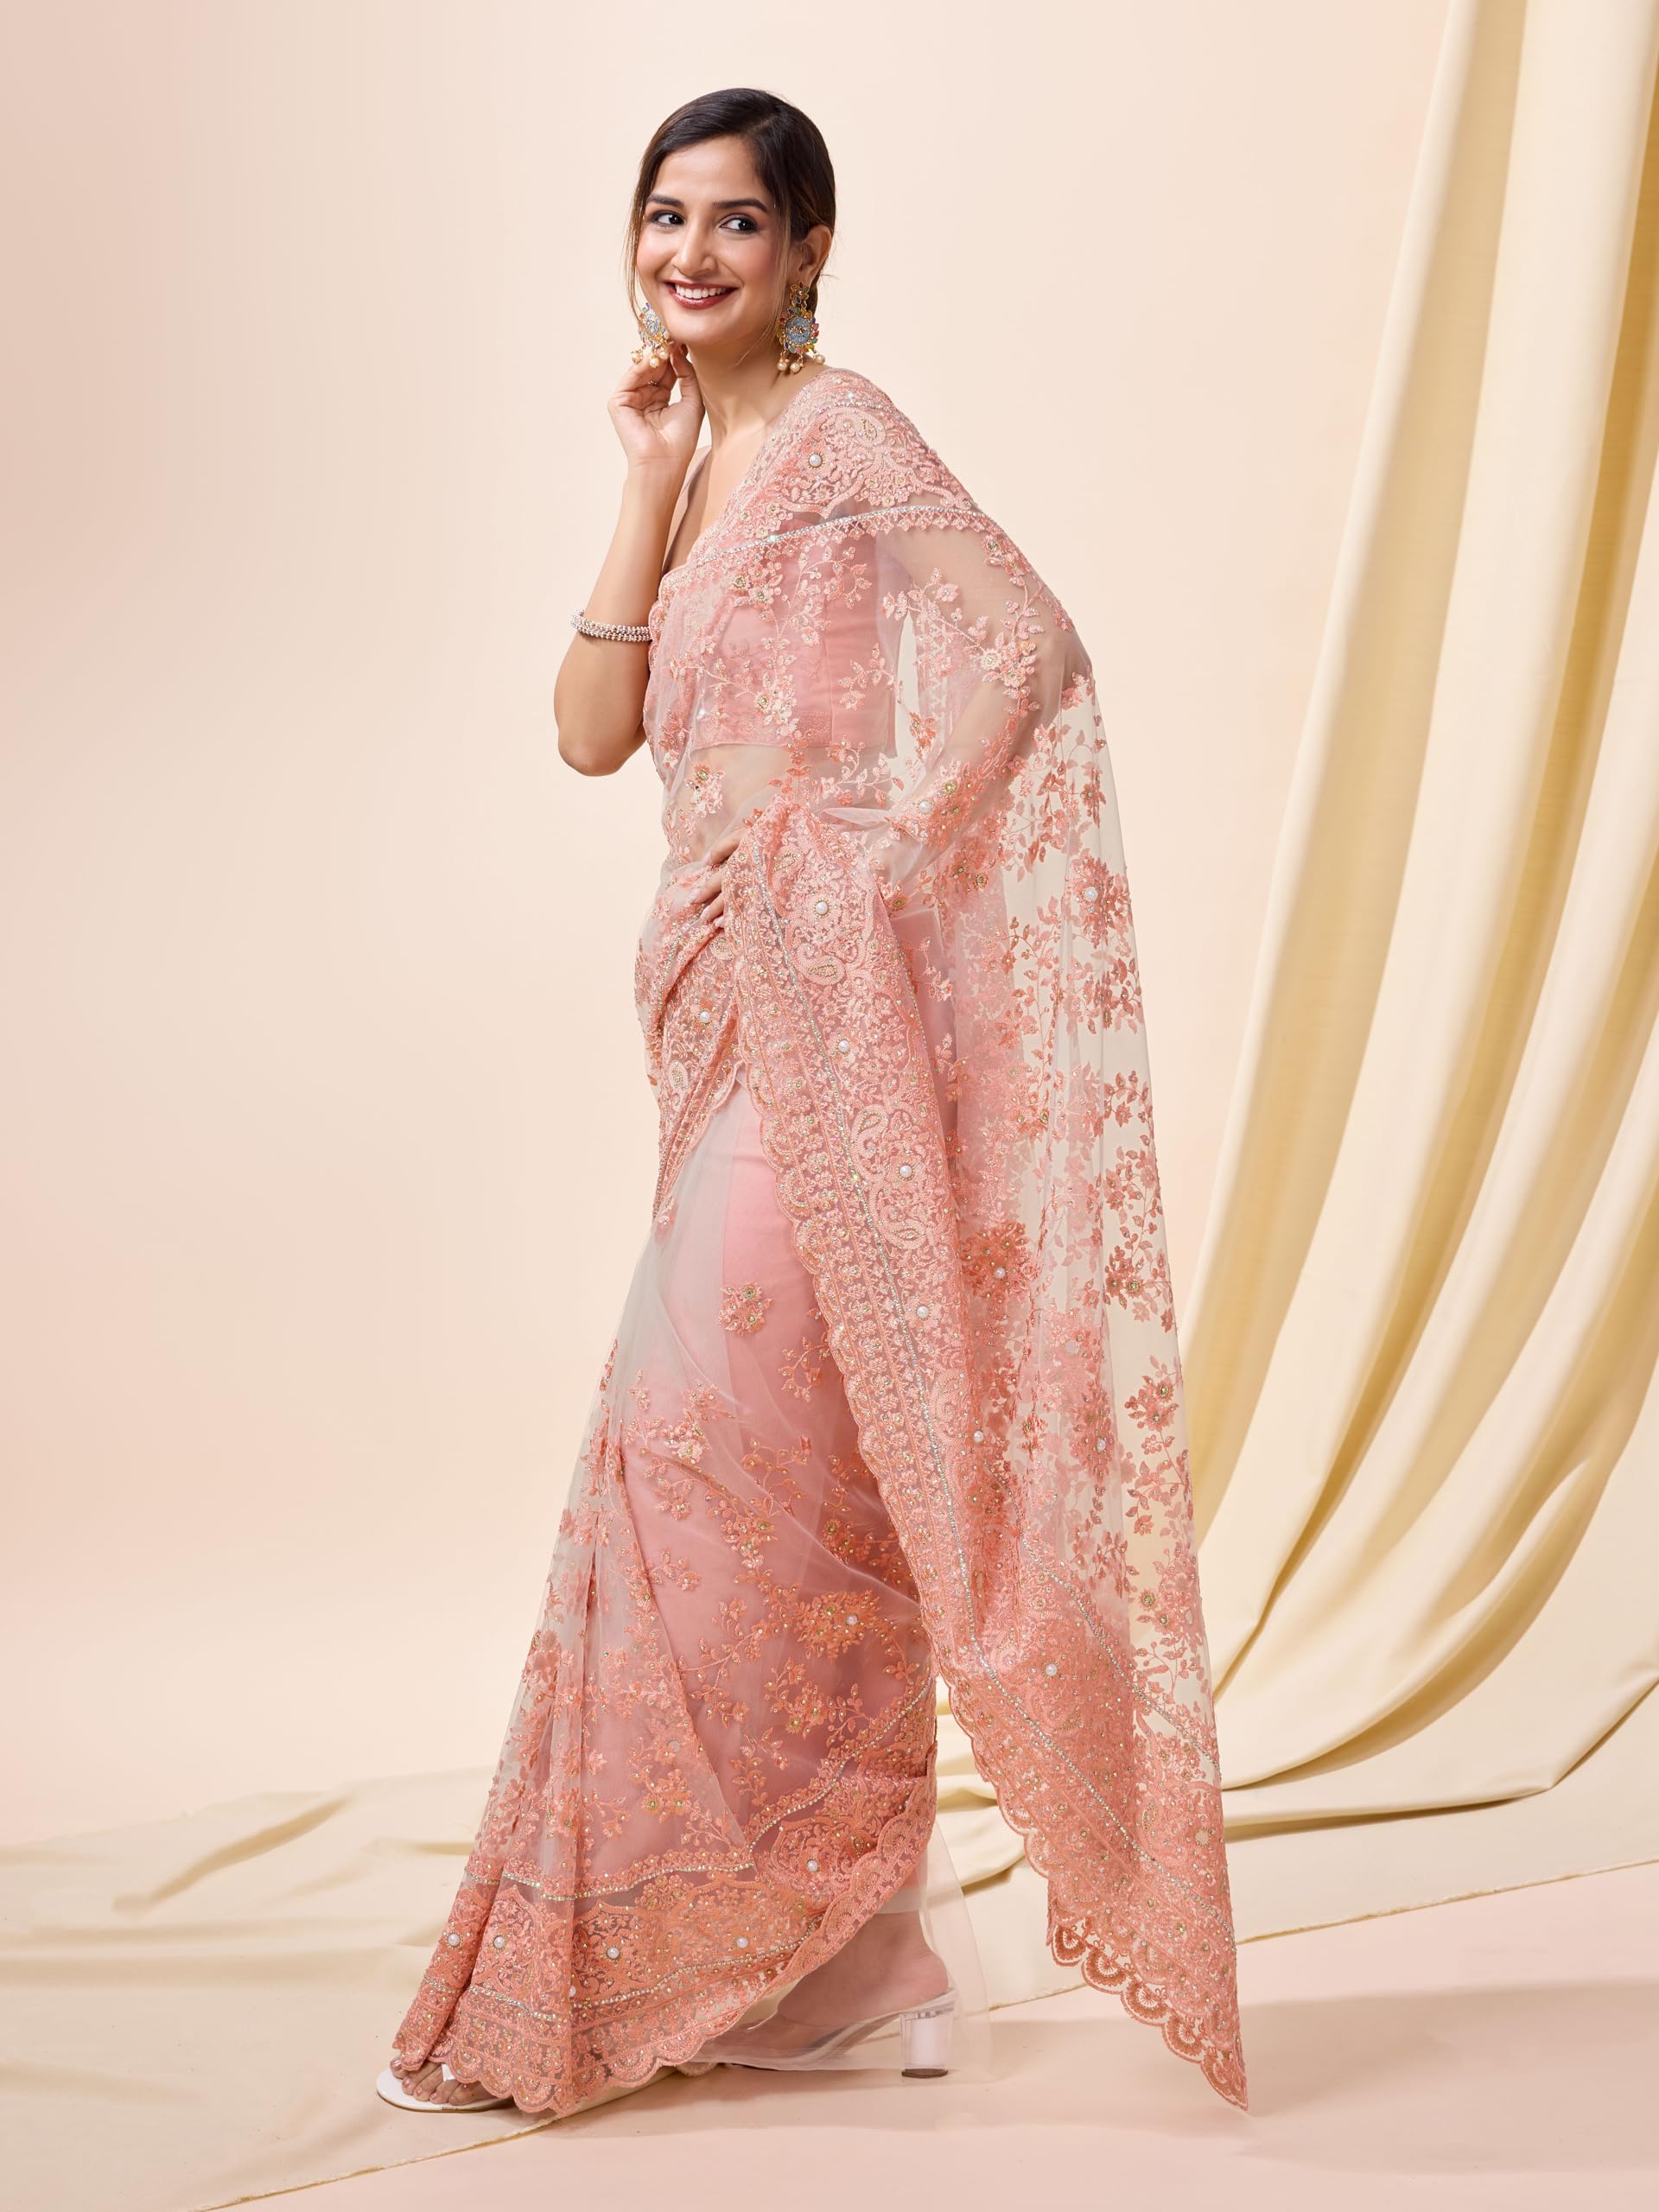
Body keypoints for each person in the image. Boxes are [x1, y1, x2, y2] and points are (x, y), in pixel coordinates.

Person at [377, 84, 1248, 2121]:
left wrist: (861, 871)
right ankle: (861, 1958)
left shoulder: (850, 442)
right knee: (784, 1483)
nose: (689, 253)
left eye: (736, 223)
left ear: (811, 252)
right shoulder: (698, 459)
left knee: (681, 1457)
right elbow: (592, 731)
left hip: (818, 1023)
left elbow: (1032, 653)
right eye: (665, 217)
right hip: (708, 1021)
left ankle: (763, 1950)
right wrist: (643, 480)